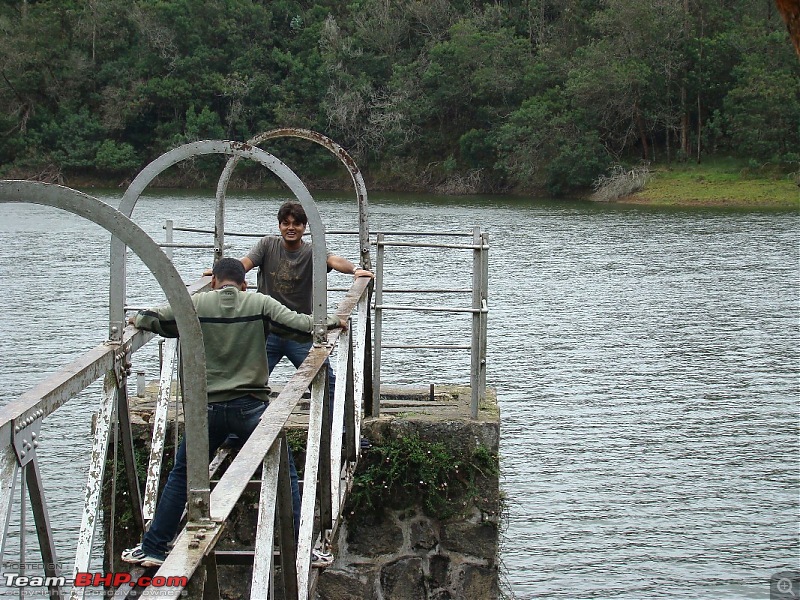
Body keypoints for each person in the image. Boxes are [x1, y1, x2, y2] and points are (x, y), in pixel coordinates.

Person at [121, 258, 345, 568]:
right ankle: (300, 552)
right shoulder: (259, 302)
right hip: (250, 409)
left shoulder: (196, 304)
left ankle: (154, 547)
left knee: (183, 474)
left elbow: (156, 318)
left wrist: (136, 318)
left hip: (207, 412)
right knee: (284, 473)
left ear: (213, 281)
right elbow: (302, 326)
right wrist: (334, 320)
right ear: (243, 283)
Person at [240, 201, 373, 415]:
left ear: (304, 227)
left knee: (325, 382)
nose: (291, 228)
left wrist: (356, 270)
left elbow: (333, 259)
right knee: (248, 382)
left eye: (296, 224)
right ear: (279, 226)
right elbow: (244, 263)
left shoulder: (312, 251)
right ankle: (236, 433)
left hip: (300, 331)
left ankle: (343, 433)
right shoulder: (267, 245)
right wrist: (224, 274)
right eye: (286, 223)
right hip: (266, 331)